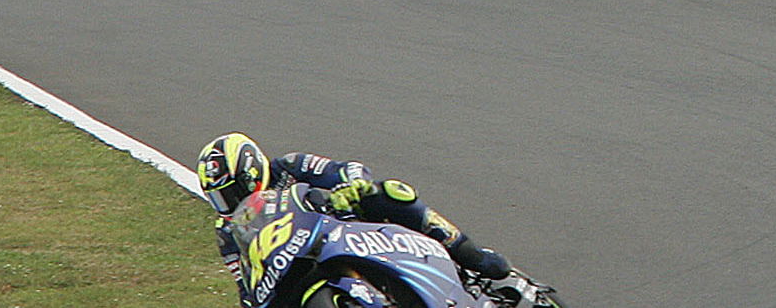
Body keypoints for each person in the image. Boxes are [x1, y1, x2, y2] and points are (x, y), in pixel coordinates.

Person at [196, 133, 535, 305]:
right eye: (219, 198)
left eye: (231, 191)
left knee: (391, 193)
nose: (229, 203)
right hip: (296, 264)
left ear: (251, 169)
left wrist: (350, 186)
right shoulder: (227, 231)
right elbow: (244, 280)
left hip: (343, 225)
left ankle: (471, 254)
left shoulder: (289, 166)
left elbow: (346, 169)